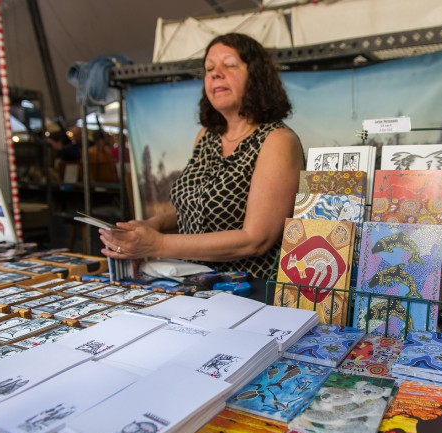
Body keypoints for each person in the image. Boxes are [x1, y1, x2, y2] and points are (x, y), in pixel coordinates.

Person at [99, 33, 304, 279]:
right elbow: (198, 207)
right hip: (194, 279)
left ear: (257, 77)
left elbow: (255, 240)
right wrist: (153, 225)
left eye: (229, 65)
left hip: (247, 288)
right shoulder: (207, 135)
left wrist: (157, 244)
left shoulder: (278, 141)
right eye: (209, 69)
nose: (216, 73)